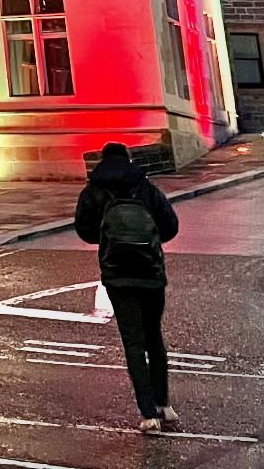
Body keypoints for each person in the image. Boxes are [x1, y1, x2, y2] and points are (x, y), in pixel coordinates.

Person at [74, 140, 181, 433]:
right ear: (129, 158)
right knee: (154, 338)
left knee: (133, 342)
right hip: (150, 271)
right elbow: (171, 225)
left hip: (118, 274)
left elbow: (83, 229)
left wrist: (109, 239)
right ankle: (164, 405)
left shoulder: (94, 189)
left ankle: (148, 415)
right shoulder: (144, 186)